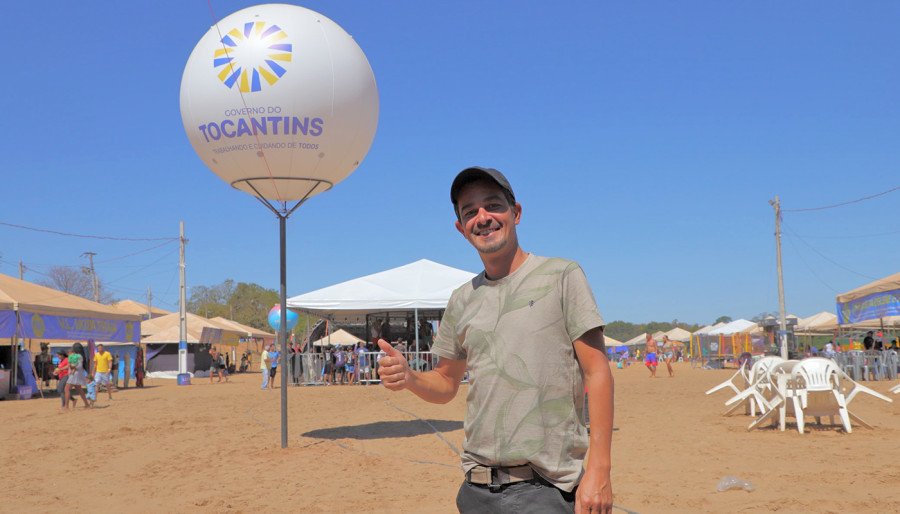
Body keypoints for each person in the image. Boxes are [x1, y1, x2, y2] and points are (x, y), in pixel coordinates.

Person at [377, 167, 613, 513]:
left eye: (493, 206)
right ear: (461, 228)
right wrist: (410, 378)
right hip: (476, 489)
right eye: (469, 212)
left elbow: (598, 372)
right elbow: (445, 382)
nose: (482, 217)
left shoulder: (562, 276)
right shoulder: (462, 300)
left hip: (545, 489)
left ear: (516, 213)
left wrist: (599, 470)